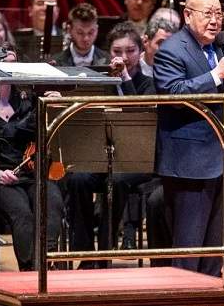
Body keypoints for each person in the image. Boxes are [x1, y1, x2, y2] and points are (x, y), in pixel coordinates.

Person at [153, 0, 224, 276]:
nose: (215, 20)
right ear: (187, 15)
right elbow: (172, 94)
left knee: (214, 249)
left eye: (218, 14)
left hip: (221, 157)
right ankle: (186, 294)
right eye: (207, 14)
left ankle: (210, 292)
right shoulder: (171, 50)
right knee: (189, 248)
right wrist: (216, 75)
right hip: (189, 162)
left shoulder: (220, 46)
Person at [0, 45, 64, 271]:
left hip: (30, 174)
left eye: (13, 64)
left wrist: (54, 107)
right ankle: (30, 270)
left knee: (51, 200)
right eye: (5, 64)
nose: (10, 69)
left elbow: (50, 136)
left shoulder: (29, 103)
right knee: (21, 210)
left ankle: (46, 263)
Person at [66, 22, 154, 269]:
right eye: (117, 51)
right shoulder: (102, 82)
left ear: (140, 51)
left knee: (116, 181)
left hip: (138, 159)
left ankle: (104, 252)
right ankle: (84, 253)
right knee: (78, 179)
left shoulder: (149, 83)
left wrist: (125, 77)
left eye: (130, 51)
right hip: (103, 155)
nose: (123, 57)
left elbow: (138, 112)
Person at [53, 3, 109, 67]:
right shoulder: (55, 63)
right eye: (80, 32)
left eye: (91, 32)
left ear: (97, 29)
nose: (86, 38)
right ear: (69, 30)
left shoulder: (108, 61)